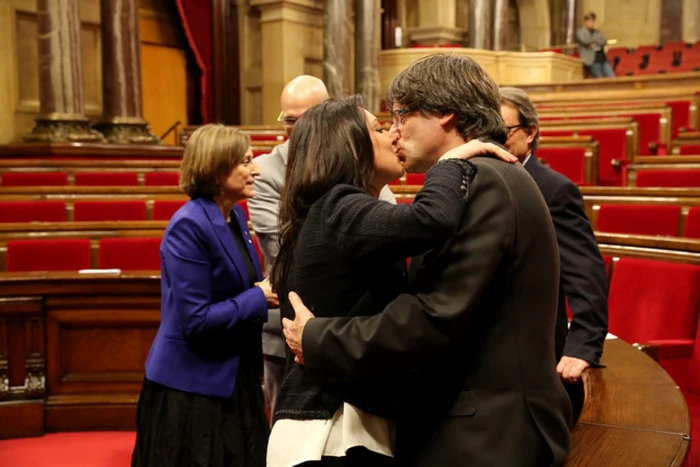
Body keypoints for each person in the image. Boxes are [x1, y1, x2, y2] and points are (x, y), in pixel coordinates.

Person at [282, 54, 573, 466]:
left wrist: (316, 337)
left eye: (400, 115)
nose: (395, 132)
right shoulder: (484, 178)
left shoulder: (484, 181)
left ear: (444, 113)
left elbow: (435, 317)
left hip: (487, 435)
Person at [267, 95, 516, 467]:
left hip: (339, 424)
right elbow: (431, 219)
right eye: (379, 128)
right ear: (349, 145)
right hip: (330, 433)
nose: (394, 136)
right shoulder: (340, 206)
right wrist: (451, 161)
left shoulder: (327, 211)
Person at [248, 75, 395, 418]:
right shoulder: (267, 170)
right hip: (296, 326)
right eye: (289, 121)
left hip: (357, 331)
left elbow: (385, 220)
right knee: (299, 422)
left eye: (307, 117)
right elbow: (282, 241)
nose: (298, 129)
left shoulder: (361, 170)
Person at [131, 124, 278, 467]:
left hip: (233, 376)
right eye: (244, 161)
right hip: (192, 389)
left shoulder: (235, 215)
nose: (255, 168)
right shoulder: (188, 226)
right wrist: (259, 297)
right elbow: (195, 320)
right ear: (215, 169)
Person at [500, 86, 609, 387]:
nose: (495, 140)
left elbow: (585, 271)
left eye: (504, 131)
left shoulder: (553, 189)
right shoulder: (474, 178)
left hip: (536, 348)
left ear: (530, 132)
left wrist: (583, 344)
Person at [576, 12, 615, 78]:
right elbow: (585, 41)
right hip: (591, 60)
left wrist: (594, 43)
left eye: (592, 21)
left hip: (602, 58)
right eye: (589, 21)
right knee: (599, 79)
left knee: (612, 77)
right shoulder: (580, 32)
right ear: (586, 22)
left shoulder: (597, 32)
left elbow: (604, 41)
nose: (591, 23)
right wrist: (597, 41)